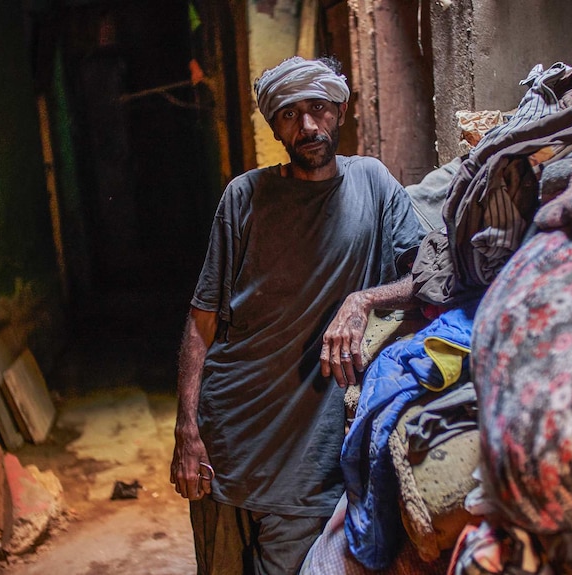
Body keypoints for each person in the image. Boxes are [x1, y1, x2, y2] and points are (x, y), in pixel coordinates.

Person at [170, 55, 424, 575]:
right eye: (290, 114)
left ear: (340, 112)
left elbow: (429, 276)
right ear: (275, 126)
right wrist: (186, 432)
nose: (307, 125)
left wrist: (364, 299)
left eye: (319, 109)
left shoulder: (372, 185)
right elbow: (203, 321)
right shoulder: (244, 197)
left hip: (309, 459)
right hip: (227, 442)